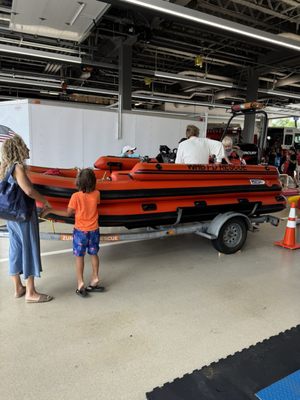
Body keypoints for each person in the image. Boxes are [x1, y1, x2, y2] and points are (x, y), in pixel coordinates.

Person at [0, 134, 53, 303]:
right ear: (18, 149)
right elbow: (28, 191)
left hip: (11, 215)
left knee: (15, 249)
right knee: (29, 249)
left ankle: (18, 288)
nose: (28, 149)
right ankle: (31, 292)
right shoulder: (18, 168)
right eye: (24, 146)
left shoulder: (4, 167)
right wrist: (44, 201)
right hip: (24, 215)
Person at [42, 168, 104, 298]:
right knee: (94, 254)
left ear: (78, 182)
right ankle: (95, 278)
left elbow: (68, 213)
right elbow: (94, 203)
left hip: (80, 232)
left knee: (79, 257)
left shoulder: (75, 196)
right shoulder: (97, 194)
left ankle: (80, 283)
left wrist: (50, 210)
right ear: (93, 181)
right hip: (94, 230)